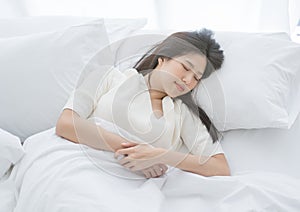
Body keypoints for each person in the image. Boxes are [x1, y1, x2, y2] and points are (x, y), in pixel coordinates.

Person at [56, 28, 231, 179]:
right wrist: (136, 152)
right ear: (164, 57)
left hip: (134, 188)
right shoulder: (108, 77)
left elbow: (220, 167)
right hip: (79, 167)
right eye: (186, 67)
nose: (188, 80)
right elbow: (66, 123)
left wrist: (159, 156)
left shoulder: (183, 114)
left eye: (197, 78)